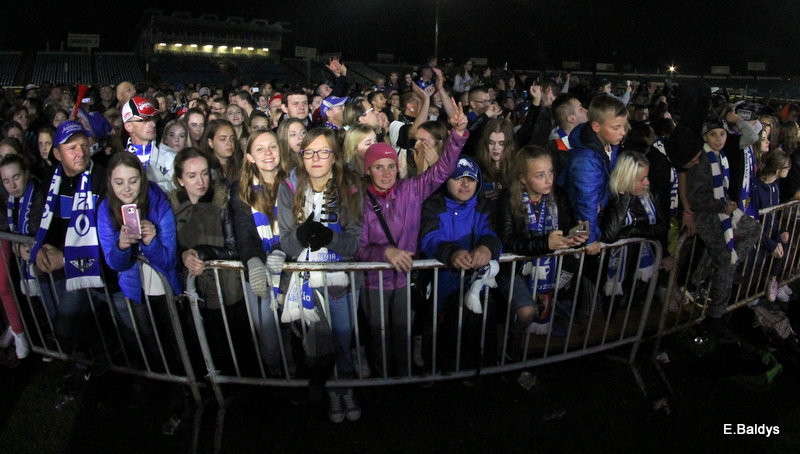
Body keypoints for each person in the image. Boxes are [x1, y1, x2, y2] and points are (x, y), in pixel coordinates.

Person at [358, 103, 467, 376]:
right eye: (379, 167)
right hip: (374, 283)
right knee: (378, 335)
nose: (386, 173)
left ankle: (403, 380)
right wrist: (386, 253)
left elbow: (442, 171)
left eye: (391, 167)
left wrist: (458, 134)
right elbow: (358, 248)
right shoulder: (358, 201)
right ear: (368, 170)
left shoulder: (411, 190)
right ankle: (382, 379)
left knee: (403, 332)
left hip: (406, 280)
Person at [277, 128, 363, 423]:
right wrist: (302, 235)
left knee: (342, 339)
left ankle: (346, 389)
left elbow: (354, 243)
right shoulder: (289, 186)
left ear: (335, 156)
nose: (316, 158)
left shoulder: (350, 186)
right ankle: (330, 392)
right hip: (306, 281)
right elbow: (286, 242)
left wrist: (330, 238)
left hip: (341, 282)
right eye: (309, 151)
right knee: (317, 344)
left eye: (323, 151)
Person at [30, 120, 112, 406]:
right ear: (57, 154)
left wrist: (63, 256)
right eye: (71, 147)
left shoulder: (102, 179)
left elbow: (105, 235)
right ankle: (93, 358)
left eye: (83, 146)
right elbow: (42, 220)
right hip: (54, 266)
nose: (80, 152)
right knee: (62, 324)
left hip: (87, 267)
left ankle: (84, 368)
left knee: (65, 324)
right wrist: (38, 247)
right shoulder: (50, 179)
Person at [170, 147, 251, 377]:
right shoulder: (172, 207)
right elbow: (168, 248)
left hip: (226, 292)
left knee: (233, 351)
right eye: (192, 176)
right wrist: (182, 255)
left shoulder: (222, 203)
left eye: (204, 173)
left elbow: (234, 248)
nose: (200, 181)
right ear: (180, 179)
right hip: (192, 295)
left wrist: (202, 252)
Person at [419, 157, 502, 366]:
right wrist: (452, 253)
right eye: (458, 178)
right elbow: (430, 238)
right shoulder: (433, 205)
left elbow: (492, 232)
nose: (465, 185)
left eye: (470, 180)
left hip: (473, 284)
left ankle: (472, 367)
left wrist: (487, 247)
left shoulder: (484, 206)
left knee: (475, 327)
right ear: (446, 180)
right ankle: (435, 369)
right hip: (442, 283)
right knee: (438, 329)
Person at [497, 146, 587, 333]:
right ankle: (512, 339)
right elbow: (507, 241)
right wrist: (545, 244)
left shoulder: (558, 194)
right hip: (516, 270)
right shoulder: (507, 198)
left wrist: (574, 237)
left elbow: (566, 227)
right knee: (526, 312)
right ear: (523, 178)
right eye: (540, 175)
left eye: (551, 172)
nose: (549, 180)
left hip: (550, 266)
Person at [687, 117, 760, 340]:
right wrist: (723, 205)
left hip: (722, 212)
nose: (719, 139)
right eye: (713, 135)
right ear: (704, 138)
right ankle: (715, 316)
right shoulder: (702, 160)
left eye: (722, 134)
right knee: (727, 262)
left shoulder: (722, 157)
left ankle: (719, 268)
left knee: (753, 230)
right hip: (709, 218)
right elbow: (697, 198)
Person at [230, 130, 296, 376]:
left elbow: (297, 226)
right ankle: (275, 374)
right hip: (258, 274)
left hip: (289, 270)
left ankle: (290, 371)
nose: (268, 153)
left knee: (289, 328)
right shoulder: (241, 188)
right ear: (249, 157)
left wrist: (281, 251)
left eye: (273, 147)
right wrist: (254, 261)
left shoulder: (292, 182)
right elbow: (244, 229)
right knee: (268, 336)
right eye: (260, 149)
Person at [559, 95, 628, 256]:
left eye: (623, 126)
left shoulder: (609, 145)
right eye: (616, 127)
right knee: (567, 270)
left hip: (591, 220)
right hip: (574, 226)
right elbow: (586, 201)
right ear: (597, 126)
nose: (623, 132)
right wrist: (589, 238)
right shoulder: (586, 159)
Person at [600, 151, 668, 296]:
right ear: (627, 179)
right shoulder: (611, 198)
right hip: (611, 269)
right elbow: (610, 235)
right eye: (641, 179)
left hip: (643, 263)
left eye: (647, 177)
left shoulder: (651, 195)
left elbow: (662, 226)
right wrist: (624, 198)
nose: (647, 183)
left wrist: (632, 231)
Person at [0, 154, 41, 358]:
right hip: (25, 261)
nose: (12, 185)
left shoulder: (38, 194)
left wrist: (25, 246)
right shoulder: (11, 202)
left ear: (25, 173)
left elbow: (37, 230)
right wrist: (17, 248)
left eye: (16, 177)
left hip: (42, 264)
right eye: (6, 181)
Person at [751, 150, 792, 303]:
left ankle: (768, 284)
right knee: (750, 271)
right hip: (757, 240)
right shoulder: (756, 188)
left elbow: (773, 216)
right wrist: (769, 242)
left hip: (768, 238)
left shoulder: (775, 186)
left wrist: (779, 234)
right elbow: (753, 223)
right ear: (777, 169)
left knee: (782, 247)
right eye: (787, 167)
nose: (789, 169)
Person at [122, 97, 176, 192]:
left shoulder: (171, 157)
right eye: (145, 120)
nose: (153, 124)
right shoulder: (120, 162)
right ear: (128, 126)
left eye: (153, 118)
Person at [475, 118, 515, 200]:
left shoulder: (516, 166)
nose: (495, 148)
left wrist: (503, 194)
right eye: (491, 143)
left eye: (501, 143)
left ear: (509, 145)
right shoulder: (476, 167)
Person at [200, 119, 243, 187]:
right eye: (223, 139)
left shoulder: (241, 165)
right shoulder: (205, 169)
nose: (229, 143)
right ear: (210, 142)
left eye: (232, 139)